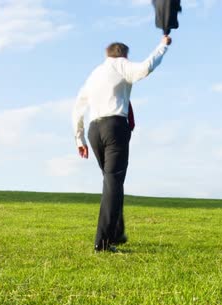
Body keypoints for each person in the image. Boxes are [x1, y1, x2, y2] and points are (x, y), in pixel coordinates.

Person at [72, 35, 172, 252]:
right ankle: (104, 243)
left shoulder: (95, 74)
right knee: (113, 183)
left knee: (112, 184)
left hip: (94, 131)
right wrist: (163, 46)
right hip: (114, 127)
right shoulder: (121, 65)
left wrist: (79, 138)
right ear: (123, 54)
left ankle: (116, 232)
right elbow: (145, 69)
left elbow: (78, 106)